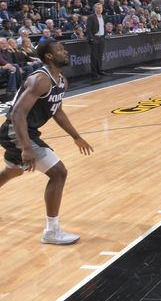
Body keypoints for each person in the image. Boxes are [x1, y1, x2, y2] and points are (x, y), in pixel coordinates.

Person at [0, 40, 93, 244]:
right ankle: (52, 231)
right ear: (49, 56)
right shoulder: (41, 79)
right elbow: (17, 114)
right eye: (60, 50)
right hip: (17, 131)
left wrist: (76, 136)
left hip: (27, 131)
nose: (65, 51)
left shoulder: (61, 81)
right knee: (59, 173)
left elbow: (57, 111)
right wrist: (26, 147)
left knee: (13, 171)